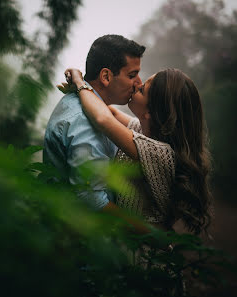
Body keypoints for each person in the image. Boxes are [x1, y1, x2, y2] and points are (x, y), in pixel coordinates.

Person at [61, 67, 212, 235]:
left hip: (139, 253)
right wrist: (85, 91)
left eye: (142, 90)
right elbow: (110, 112)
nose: (136, 85)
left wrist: (79, 82)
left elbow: (103, 119)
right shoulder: (143, 131)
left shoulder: (160, 153)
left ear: (150, 112)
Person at [43, 35, 145, 214]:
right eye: (132, 75)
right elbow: (90, 199)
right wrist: (151, 234)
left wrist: (80, 82)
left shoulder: (93, 107)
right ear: (106, 76)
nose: (139, 84)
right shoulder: (84, 120)